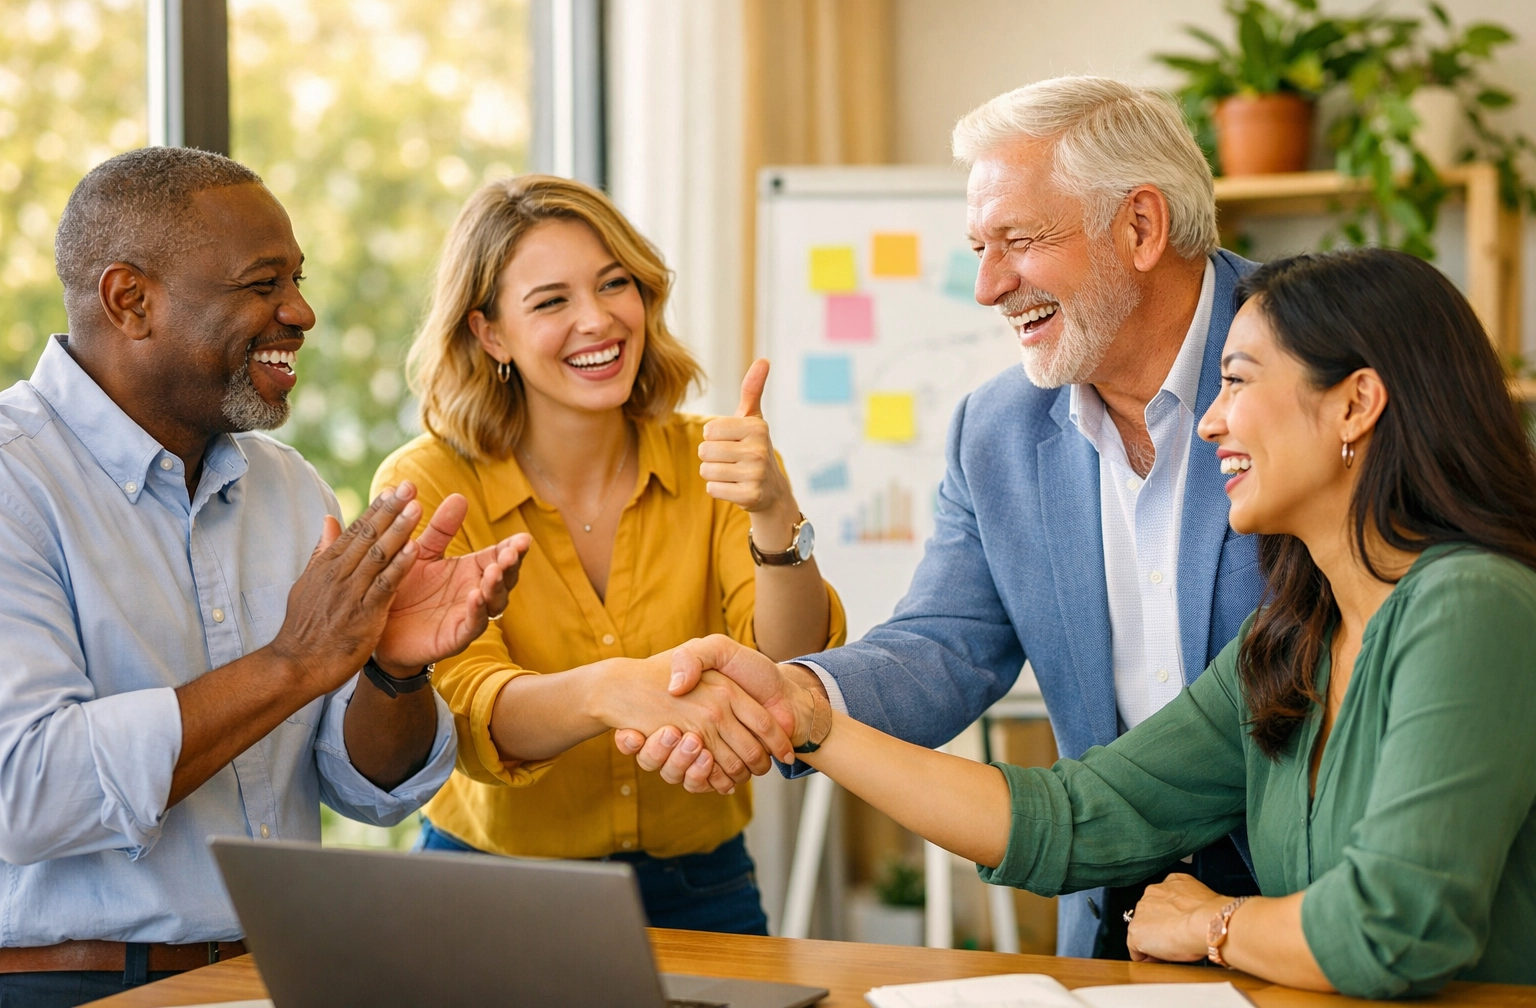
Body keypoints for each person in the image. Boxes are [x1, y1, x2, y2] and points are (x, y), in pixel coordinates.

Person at [657, 247, 1536, 998]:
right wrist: (804, 717)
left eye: (1237, 383)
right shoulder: (1291, 639)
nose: (1213, 419)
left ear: (1355, 404)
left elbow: (1399, 925)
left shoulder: (1470, 606)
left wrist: (1215, 923)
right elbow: (1077, 813)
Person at [623, 75, 1264, 956]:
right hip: (1123, 923)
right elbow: (944, 643)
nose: (989, 287)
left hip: (1316, 910)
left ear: (1142, 228)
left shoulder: (1312, 357)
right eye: (978, 247)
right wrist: (800, 695)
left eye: (1016, 241)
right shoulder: (995, 430)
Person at [0, 147, 528, 1008]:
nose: (302, 311)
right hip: (67, 989)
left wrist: (392, 672)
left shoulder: (290, 488)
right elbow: (24, 789)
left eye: (299, 279)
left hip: (273, 977)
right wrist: (293, 662)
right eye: (262, 284)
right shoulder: (14, 482)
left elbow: (366, 791)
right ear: (130, 300)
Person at [371, 175, 843, 934]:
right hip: (487, 891)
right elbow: (457, 709)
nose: (598, 320)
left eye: (614, 284)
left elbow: (789, 665)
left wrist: (774, 510)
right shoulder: (427, 481)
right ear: (490, 333)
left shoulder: (708, 457)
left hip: (703, 888)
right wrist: (610, 690)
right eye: (552, 301)